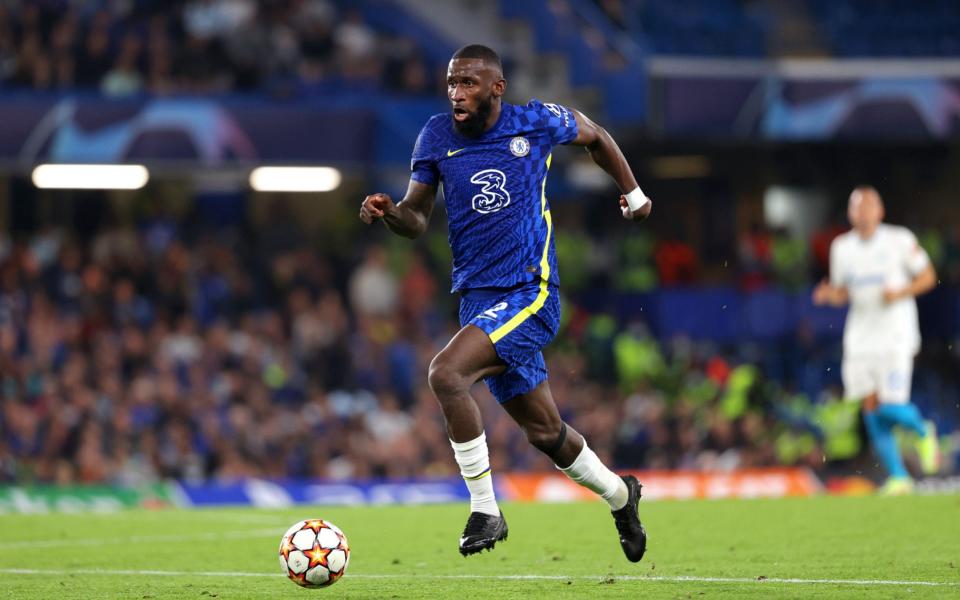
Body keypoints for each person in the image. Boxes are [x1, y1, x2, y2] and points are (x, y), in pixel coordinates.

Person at [360, 44, 651, 560]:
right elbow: (417, 217)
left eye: (468, 83)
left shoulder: (535, 121)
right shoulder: (435, 135)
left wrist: (632, 193)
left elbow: (597, 137)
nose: (456, 93)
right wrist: (389, 213)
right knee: (545, 432)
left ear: (496, 88)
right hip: (478, 301)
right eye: (451, 82)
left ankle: (485, 511)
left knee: (446, 374)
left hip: (530, 293)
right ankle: (621, 495)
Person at [813, 186, 940, 495]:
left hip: (896, 334)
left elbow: (928, 277)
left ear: (880, 211)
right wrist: (830, 295)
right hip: (860, 338)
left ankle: (923, 430)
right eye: (857, 206)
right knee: (869, 408)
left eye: (869, 205)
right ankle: (899, 477)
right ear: (850, 213)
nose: (864, 212)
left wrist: (900, 292)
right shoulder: (841, 247)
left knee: (888, 404)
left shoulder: (899, 240)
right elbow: (844, 292)